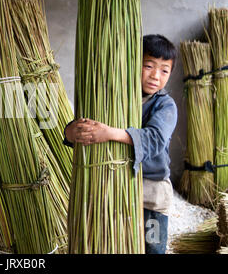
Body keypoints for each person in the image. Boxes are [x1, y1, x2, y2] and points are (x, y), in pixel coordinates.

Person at [63, 34, 178, 254]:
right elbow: (86, 128)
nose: (155, 75)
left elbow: (154, 138)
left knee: (152, 247)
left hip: (150, 195)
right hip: (115, 189)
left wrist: (109, 133)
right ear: (133, 63)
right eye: (148, 66)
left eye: (164, 70)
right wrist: (71, 132)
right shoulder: (115, 98)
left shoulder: (165, 105)